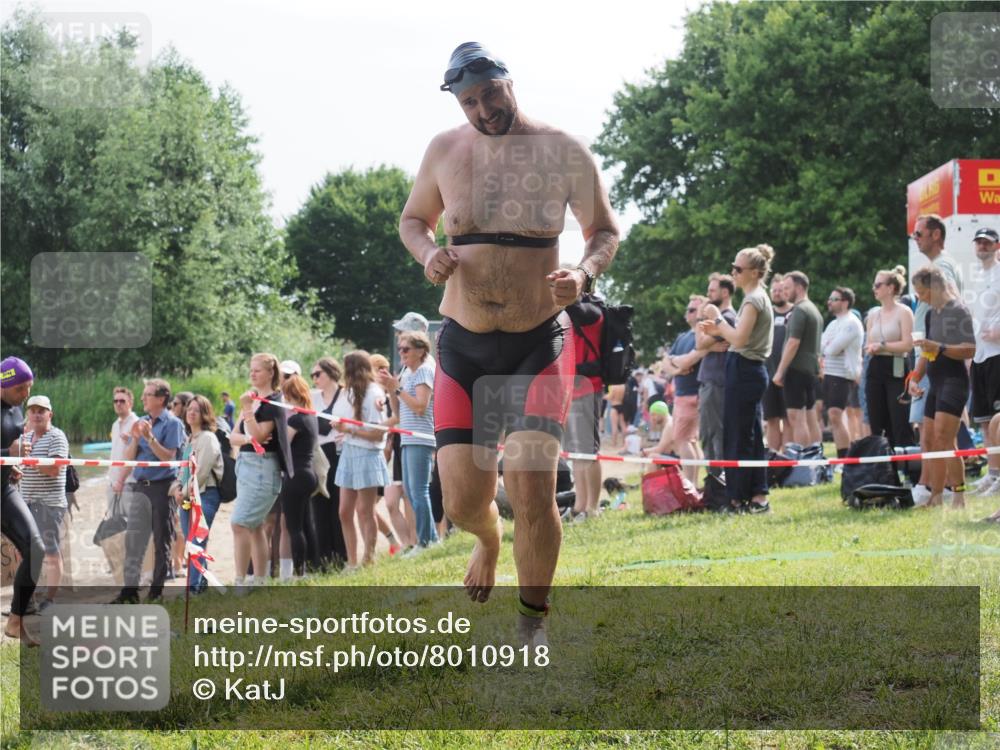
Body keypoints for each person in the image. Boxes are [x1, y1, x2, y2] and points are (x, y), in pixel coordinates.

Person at [400, 41, 619, 641]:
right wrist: (428, 253)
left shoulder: (562, 150)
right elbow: (413, 220)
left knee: (531, 486)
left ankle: (531, 621)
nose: (482, 109)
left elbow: (603, 231)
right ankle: (488, 541)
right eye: (469, 101)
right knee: (462, 503)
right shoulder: (445, 150)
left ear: (508, 80)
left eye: (489, 94)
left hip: (536, 342)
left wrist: (584, 274)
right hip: (464, 344)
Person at [700, 244, 775, 513]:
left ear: (755, 272)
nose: (733, 273)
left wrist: (717, 318)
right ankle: (756, 495)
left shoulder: (754, 299)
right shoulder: (755, 296)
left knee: (739, 435)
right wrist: (719, 328)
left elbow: (739, 339)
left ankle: (738, 497)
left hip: (745, 368)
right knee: (751, 435)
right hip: (747, 368)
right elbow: (738, 336)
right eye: (733, 267)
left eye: (738, 269)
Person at [907, 266, 976, 508]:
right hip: (935, 382)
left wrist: (940, 348)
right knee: (930, 439)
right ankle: (935, 496)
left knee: (945, 439)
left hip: (954, 381)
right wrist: (915, 377)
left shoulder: (959, 311)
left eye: (922, 293)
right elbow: (927, 350)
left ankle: (959, 495)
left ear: (935, 288)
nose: (920, 298)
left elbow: (970, 349)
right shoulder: (930, 314)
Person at [112, 378, 186, 604]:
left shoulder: (173, 424)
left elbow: (169, 457)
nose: (143, 398)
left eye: (148, 395)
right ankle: (129, 591)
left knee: (161, 541)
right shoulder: (142, 421)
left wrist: (149, 438)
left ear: (161, 399)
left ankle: (156, 592)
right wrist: (135, 439)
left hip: (162, 488)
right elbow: (129, 458)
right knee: (133, 541)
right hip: (139, 488)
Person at [228, 353, 288, 589]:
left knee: (239, 523)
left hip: (263, 467)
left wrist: (246, 412)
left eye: (258, 370)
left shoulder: (273, 401)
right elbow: (234, 437)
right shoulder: (252, 399)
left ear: (270, 373)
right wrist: (247, 437)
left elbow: (259, 436)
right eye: (251, 369)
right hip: (246, 464)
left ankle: (241, 580)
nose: (252, 374)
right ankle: (260, 580)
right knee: (253, 526)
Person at [379, 332, 439, 548]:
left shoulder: (424, 371)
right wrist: (392, 391)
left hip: (420, 438)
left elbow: (421, 407)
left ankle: (426, 542)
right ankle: (430, 539)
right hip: (406, 437)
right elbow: (399, 412)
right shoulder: (406, 373)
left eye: (406, 349)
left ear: (421, 350)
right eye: (400, 349)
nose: (401, 353)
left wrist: (398, 389)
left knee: (418, 491)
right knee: (413, 492)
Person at [1, 356, 44, 643]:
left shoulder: (16, 411)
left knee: (36, 550)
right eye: (21, 389)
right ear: (4, 383)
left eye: (29, 387)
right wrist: (7, 449)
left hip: (4, 490)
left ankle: (16, 620)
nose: (26, 394)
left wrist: (11, 463)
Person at [334, 351, 391, 568]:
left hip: (367, 454)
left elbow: (378, 434)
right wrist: (342, 428)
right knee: (344, 511)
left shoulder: (374, 392)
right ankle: (352, 561)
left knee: (365, 510)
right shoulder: (348, 392)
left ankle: (369, 558)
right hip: (349, 452)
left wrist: (349, 429)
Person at [19, 396, 68, 613]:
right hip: (25, 502)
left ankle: (49, 599)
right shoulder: (26, 437)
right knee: (26, 553)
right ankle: (28, 600)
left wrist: (29, 460)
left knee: (50, 553)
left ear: (50, 414)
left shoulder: (57, 436)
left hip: (49, 504)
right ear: (27, 414)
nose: (37, 414)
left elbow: (54, 469)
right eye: (33, 410)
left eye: (42, 411)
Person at [562, 288, 605, 519]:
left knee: (588, 450)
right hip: (569, 389)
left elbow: (577, 309)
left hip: (588, 386)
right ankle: (580, 505)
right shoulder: (572, 313)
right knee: (576, 452)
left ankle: (593, 508)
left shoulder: (591, 311)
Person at [174, 395, 223, 593]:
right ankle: (199, 584)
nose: (191, 412)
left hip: (205, 495)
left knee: (196, 542)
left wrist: (183, 492)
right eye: (190, 408)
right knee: (191, 543)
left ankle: (195, 588)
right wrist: (178, 488)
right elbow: (183, 469)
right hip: (187, 496)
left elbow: (201, 472)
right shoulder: (189, 439)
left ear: (205, 414)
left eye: (197, 410)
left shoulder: (208, 438)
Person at [864, 266, 915, 447]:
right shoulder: (873, 314)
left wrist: (883, 346)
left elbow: (908, 345)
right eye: (874, 284)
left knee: (900, 420)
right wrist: (871, 348)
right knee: (877, 423)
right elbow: (869, 343)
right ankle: (884, 471)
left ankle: (909, 469)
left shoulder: (904, 312)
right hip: (876, 367)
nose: (874, 288)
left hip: (897, 367)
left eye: (878, 284)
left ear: (891, 288)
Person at [773, 271, 823, 448]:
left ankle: (805, 463)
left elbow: (793, 342)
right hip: (809, 371)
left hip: (797, 370)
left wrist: (780, 372)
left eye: (787, 288)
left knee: (796, 418)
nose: (784, 292)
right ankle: (816, 460)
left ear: (799, 287)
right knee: (810, 418)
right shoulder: (813, 309)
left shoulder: (800, 310)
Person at [661, 295, 707, 485]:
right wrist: (679, 368)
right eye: (688, 309)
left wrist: (676, 365)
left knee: (681, 440)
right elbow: (665, 362)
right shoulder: (682, 337)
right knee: (691, 441)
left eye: (692, 310)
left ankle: (690, 484)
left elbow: (689, 359)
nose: (687, 313)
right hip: (685, 393)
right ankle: (693, 485)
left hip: (691, 393)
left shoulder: (702, 335)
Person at [968, 228, 1000, 496]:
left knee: (998, 421)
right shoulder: (975, 277)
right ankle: (992, 474)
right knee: (984, 420)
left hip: (998, 354)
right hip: (979, 355)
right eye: (978, 242)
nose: (982, 246)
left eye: (987, 242)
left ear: (997, 246)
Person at [695, 273, 737, 474]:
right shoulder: (719, 319)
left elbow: (700, 343)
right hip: (711, 381)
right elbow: (702, 345)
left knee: (714, 432)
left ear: (725, 292)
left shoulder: (726, 318)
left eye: (712, 290)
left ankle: (718, 480)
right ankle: (715, 480)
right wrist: (710, 346)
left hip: (717, 383)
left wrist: (701, 320)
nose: (708, 295)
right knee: (708, 432)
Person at [277, 374, 319, 578]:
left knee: (294, 527)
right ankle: (311, 567)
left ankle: (298, 571)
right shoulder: (310, 416)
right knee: (305, 524)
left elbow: (284, 444)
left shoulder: (295, 419)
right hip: (309, 474)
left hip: (296, 475)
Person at [310, 357, 349, 569]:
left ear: (331, 373)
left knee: (338, 506)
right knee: (319, 505)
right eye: (312, 375)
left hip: (339, 452)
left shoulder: (345, 395)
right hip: (319, 454)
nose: (314, 379)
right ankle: (322, 558)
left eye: (318, 374)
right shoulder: (312, 397)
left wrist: (348, 433)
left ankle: (341, 557)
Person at [820, 287, 864, 459]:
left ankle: (845, 458)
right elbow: (822, 346)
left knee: (835, 414)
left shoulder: (851, 323)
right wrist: (829, 346)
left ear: (845, 302)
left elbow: (832, 349)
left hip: (843, 375)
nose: (829, 301)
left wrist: (829, 346)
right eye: (830, 298)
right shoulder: (833, 324)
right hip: (829, 374)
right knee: (835, 416)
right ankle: (843, 456)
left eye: (834, 299)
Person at [763, 275, 792, 451]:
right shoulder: (767, 314)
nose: (777, 294)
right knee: (772, 418)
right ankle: (774, 459)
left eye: (781, 290)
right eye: (774, 291)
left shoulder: (794, 313)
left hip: (789, 374)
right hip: (768, 373)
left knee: (788, 417)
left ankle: (787, 458)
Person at [107, 387, 139, 512]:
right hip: (112, 481)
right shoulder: (115, 425)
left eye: (122, 401)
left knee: (129, 524)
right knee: (114, 524)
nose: (118, 404)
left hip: (129, 482)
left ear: (130, 403)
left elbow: (133, 456)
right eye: (115, 401)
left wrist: (120, 481)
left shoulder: (136, 423)